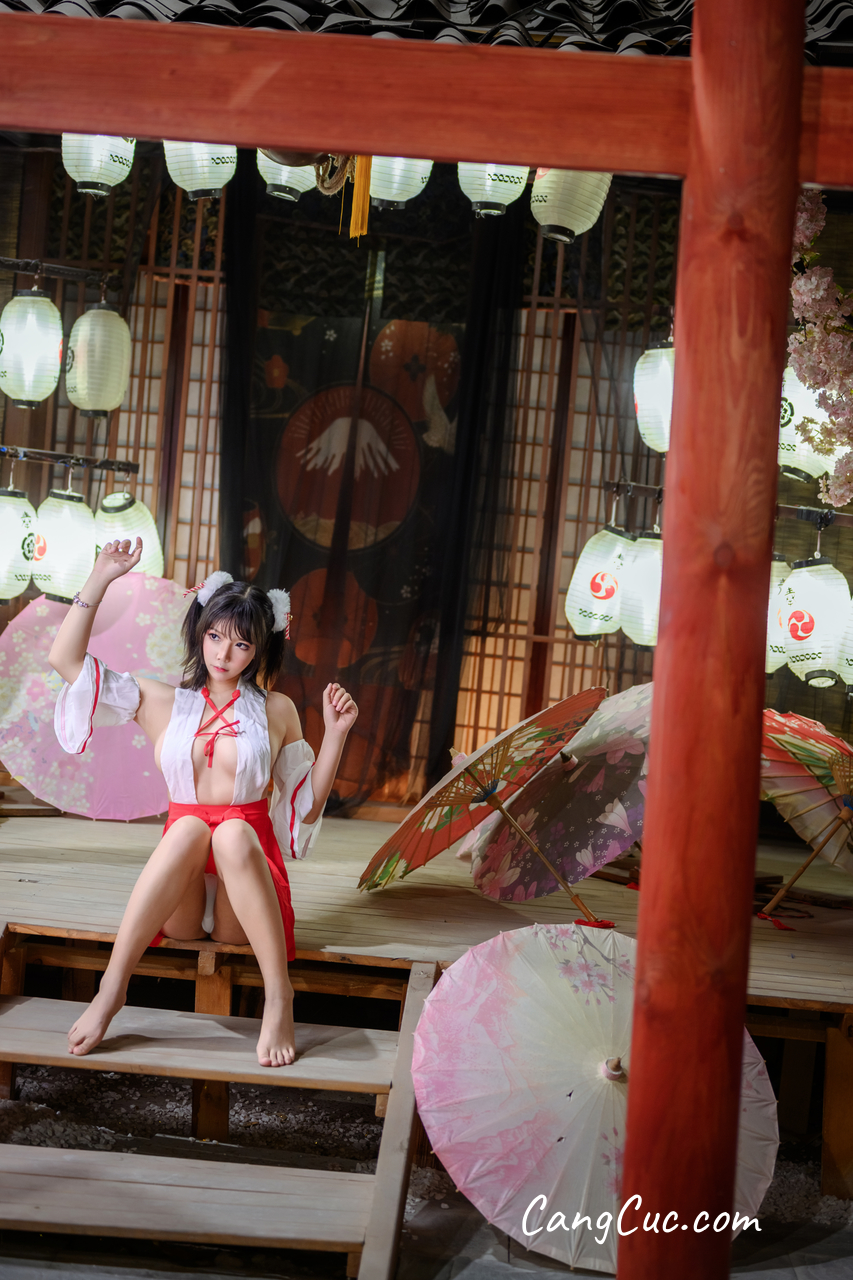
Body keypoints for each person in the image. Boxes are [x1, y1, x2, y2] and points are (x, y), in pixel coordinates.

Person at [48, 538, 357, 1067]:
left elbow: (304, 806)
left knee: (233, 831)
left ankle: (279, 996)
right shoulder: (161, 701)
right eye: (214, 636)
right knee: (189, 826)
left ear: (260, 649)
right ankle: (111, 989)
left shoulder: (278, 710)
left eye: (240, 644)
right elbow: (66, 660)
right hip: (183, 886)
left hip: (246, 885)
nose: (222, 654)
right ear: (200, 631)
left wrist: (335, 735)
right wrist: (99, 578)